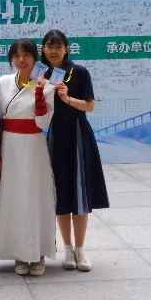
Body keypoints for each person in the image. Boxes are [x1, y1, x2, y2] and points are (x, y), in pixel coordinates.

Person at [41, 29, 110, 272]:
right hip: (54, 135)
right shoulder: (40, 74)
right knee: (60, 192)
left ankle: (80, 249)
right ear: (43, 49)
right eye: (49, 46)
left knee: (80, 192)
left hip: (78, 133)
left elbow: (90, 106)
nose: (53, 51)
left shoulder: (79, 72)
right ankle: (68, 250)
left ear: (66, 49)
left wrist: (68, 99)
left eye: (58, 46)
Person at [0, 38, 56, 276]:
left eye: (26, 55)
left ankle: (38, 253)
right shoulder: (3, 82)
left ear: (35, 58)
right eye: (17, 55)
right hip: (10, 146)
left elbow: (43, 122)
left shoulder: (47, 85)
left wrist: (39, 92)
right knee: (13, 198)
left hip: (34, 147)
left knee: (36, 197)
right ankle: (18, 252)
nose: (21, 60)